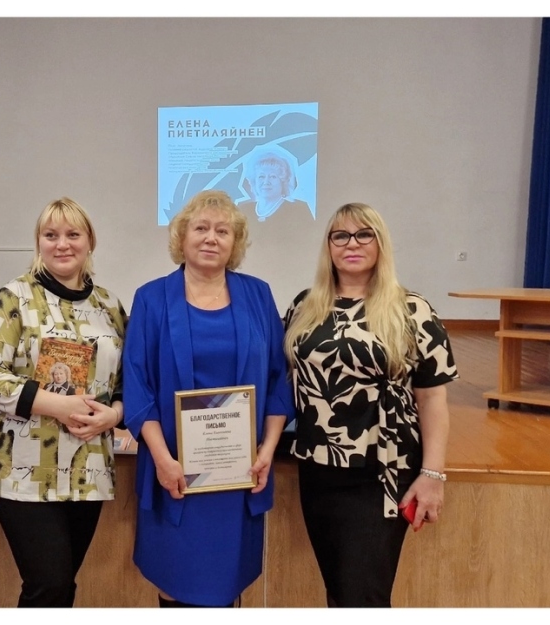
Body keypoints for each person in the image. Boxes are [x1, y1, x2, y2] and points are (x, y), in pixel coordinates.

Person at [123, 189, 294, 607]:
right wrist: (162, 460)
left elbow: (279, 379)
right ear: (182, 237)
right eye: (201, 228)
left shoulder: (258, 295)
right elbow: (137, 385)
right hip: (173, 473)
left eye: (223, 231)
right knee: (175, 584)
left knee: (226, 587)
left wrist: (268, 450)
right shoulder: (151, 298)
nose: (211, 238)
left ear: (235, 243)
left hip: (239, 474)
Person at [282, 202, 458, 607]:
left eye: (365, 234)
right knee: (340, 589)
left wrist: (433, 475)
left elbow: (432, 398)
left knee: (362, 596)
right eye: (340, 236)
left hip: (382, 470)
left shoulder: (412, 309)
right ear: (328, 246)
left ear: (381, 244)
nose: (352, 244)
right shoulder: (305, 306)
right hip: (318, 467)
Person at [0, 197, 127, 607]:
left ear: (89, 241)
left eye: (73, 234)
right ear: (38, 241)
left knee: (63, 587)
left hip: (88, 468)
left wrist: (113, 415)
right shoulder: (14, 298)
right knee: (49, 584)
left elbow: (127, 383)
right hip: (23, 469)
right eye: (51, 234)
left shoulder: (110, 307)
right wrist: (58, 405)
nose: (62, 244)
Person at [238, 146, 311, 222]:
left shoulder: (299, 210)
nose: (266, 182)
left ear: (283, 181)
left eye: (273, 177)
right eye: (261, 177)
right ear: (254, 181)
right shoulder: (243, 209)